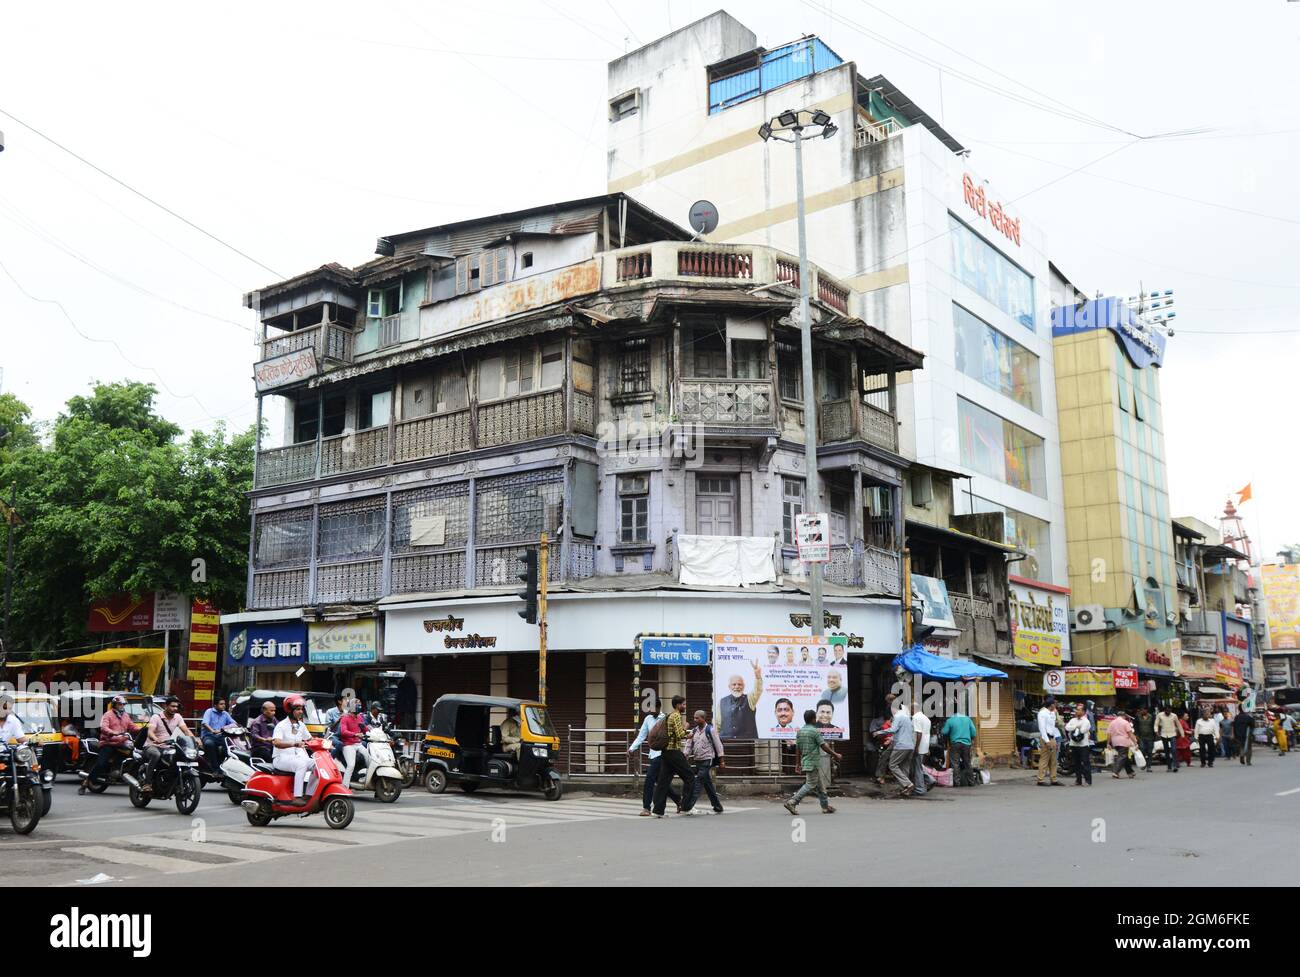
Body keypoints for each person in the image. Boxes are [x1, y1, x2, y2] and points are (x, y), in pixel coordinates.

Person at [783, 709, 841, 815]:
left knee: (821, 786)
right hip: (813, 762)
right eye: (816, 718)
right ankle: (792, 802)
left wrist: (797, 764)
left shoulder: (800, 731)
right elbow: (823, 745)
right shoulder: (814, 731)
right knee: (810, 784)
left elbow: (798, 749)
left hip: (806, 762)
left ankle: (825, 807)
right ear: (813, 719)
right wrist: (835, 754)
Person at [628, 700, 680, 817]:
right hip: (653, 754)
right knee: (661, 782)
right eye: (649, 709)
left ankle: (646, 807)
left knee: (649, 779)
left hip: (663, 754)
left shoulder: (665, 718)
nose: (651, 711)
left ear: (659, 707)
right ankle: (679, 801)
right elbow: (641, 736)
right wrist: (632, 748)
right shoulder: (648, 719)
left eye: (653, 708)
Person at [82, 694, 141, 793]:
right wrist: (112, 732)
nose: (122, 706)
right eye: (120, 704)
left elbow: (132, 726)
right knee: (101, 763)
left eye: (123, 704)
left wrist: (143, 729)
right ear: (114, 705)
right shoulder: (108, 715)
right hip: (108, 742)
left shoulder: (125, 715)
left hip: (122, 743)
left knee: (134, 755)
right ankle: (86, 782)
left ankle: (119, 770)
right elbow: (103, 727)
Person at [651, 695, 696, 818]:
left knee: (663, 782)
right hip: (674, 752)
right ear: (678, 705)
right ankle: (686, 807)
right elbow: (679, 734)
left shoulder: (670, 715)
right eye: (683, 704)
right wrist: (688, 733)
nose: (685, 706)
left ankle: (658, 810)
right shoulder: (676, 715)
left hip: (666, 752)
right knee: (690, 777)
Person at [142, 696, 198, 790]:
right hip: (153, 746)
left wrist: (195, 739)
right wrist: (156, 739)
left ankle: (170, 779)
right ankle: (148, 783)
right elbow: (150, 732)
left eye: (176, 706)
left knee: (181, 755)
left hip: (168, 746)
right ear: (166, 706)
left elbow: (186, 731)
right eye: (172, 706)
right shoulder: (156, 717)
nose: (175, 708)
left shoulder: (178, 717)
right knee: (156, 755)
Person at [273, 694, 316, 801]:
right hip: (281, 759)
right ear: (290, 710)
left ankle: (309, 794)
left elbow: (310, 739)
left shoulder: (301, 725)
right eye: (298, 709)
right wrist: (294, 743)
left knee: (318, 765)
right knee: (301, 764)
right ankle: (297, 797)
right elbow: (276, 743)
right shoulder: (281, 725)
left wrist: (325, 743)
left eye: (301, 709)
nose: (301, 712)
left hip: (296, 758)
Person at [685, 710, 725, 815]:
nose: (695, 720)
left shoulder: (710, 730)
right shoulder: (693, 731)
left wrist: (721, 761)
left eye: (697, 718)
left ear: (703, 718)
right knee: (707, 784)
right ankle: (717, 806)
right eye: (694, 718)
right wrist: (685, 756)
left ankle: (689, 806)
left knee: (698, 782)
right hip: (698, 760)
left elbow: (718, 745)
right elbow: (688, 745)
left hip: (707, 760)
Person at [717, 661, 762, 739]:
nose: (737, 687)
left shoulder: (750, 699)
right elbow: (717, 723)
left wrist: (758, 677)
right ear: (729, 686)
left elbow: (757, 691)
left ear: (744, 686)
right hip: (726, 741)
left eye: (739, 684)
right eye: (734, 684)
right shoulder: (722, 701)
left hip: (746, 743)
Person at [942, 708, 978, 786]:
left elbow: (944, 732)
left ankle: (957, 783)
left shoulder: (950, 720)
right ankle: (971, 782)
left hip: (955, 744)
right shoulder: (968, 719)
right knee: (967, 763)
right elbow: (974, 733)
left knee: (955, 763)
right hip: (966, 744)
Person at [887, 700, 916, 797]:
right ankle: (906, 789)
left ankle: (908, 784)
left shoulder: (898, 717)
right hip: (910, 746)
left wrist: (879, 732)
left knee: (892, 765)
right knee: (904, 767)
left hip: (902, 746)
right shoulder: (908, 717)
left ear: (893, 708)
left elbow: (893, 730)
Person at [201, 695, 235, 776]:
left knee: (231, 746)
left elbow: (234, 723)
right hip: (209, 736)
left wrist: (223, 729)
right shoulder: (209, 711)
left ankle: (227, 768)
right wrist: (212, 731)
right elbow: (205, 723)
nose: (223, 705)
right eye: (221, 704)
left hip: (221, 736)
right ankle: (215, 769)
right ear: (215, 705)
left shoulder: (225, 714)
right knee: (209, 744)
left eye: (224, 704)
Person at [338, 703, 369, 785]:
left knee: (370, 760)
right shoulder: (345, 718)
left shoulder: (359, 717)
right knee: (351, 765)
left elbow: (365, 729)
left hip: (358, 743)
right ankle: (345, 786)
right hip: (348, 744)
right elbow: (343, 732)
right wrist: (355, 734)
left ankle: (367, 780)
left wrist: (366, 729)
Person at [1036, 698, 1063, 786]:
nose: (1056, 706)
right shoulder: (1042, 713)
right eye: (1055, 704)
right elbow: (1042, 728)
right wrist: (1047, 741)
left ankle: (1053, 778)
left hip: (1052, 737)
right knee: (1045, 759)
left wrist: (1055, 740)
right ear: (1051, 705)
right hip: (1045, 738)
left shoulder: (1052, 713)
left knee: (1054, 759)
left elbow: (1052, 728)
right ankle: (1040, 779)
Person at [1065, 703, 1093, 786]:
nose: (1077, 711)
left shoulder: (1086, 721)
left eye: (1079, 710)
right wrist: (1077, 726)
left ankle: (1088, 781)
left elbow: (1083, 730)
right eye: (1076, 709)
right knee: (1076, 763)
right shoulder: (1073, 720)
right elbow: (1067, 727)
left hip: (1083, 745)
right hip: (1073, 744)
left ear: (1083, 711)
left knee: (1085, 763)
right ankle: (1078, 780)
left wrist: (1074, 727)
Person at [1107, 710, 1136, 779]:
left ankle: (1130, 772)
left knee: (1124, 757)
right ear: (1124, 716)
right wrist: (1135, 742)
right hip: (1124, 741)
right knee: (1123, 756)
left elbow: (1109, 734)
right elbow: (1130, 733)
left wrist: (1108, 743)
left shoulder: (1112, 722)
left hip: (1115, 742)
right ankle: (1115, 771)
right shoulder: (1125, 722)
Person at [910, 703, 932, 796]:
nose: (909, 711)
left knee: (917, 768)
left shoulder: (916, 717)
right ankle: (930, 780)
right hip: (924, 746)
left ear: (914, 708)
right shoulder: (926, 718)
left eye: (910, 708)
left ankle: (919, 789)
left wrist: (916, 747)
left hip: (919, 746)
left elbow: (918, 733)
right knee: (918, 766)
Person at [1155, 705, 1181, 772]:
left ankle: (1175, 765)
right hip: (1164, 734)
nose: (1168, 712)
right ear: (1164, 710)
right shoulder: (1160, 715)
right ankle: (1169, 766)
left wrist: (1182, 733)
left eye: (1169, 711)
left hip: (1172, 734)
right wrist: (1156, 731)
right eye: (1167, 711)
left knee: (1174, 749)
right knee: (1166, 751)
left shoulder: (1174, 716)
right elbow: (1156, 724)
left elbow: (1178, 724)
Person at [1136, 707, 1156, 772]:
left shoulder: (1152, 717)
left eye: (1142, 710)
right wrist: (1136, 735)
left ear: (1146, 710)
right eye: (1141, 710)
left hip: (1150, 737)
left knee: (1150, 752)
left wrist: (1155, 734)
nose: (1141, 711)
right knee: (1142, 750)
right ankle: (1143, 763)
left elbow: (1154, 726)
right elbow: (1135, 726)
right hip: (1141, 737)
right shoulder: (1137, 717)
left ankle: (1149, 766)